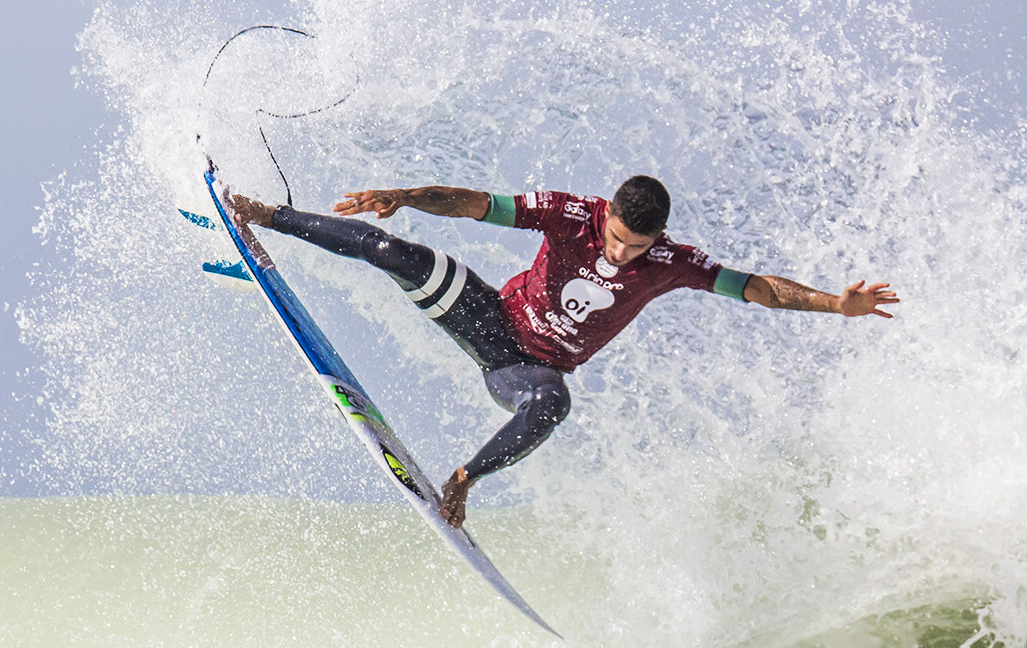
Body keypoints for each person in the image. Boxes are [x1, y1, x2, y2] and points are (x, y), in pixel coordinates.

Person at [227, 176, 898, 528]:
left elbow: (753, 287)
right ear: (605, 213)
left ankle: (465, 478)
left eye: (635, 246)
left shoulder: (668, 262)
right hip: (488, 317)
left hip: (524, 369)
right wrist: (406, 196)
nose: (619, 253)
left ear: (656, 238)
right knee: (390, 251)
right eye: (615, 237)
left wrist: (834, 305)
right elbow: (473, 204)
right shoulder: (572, 212)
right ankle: (262, 214)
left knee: (554, 401)